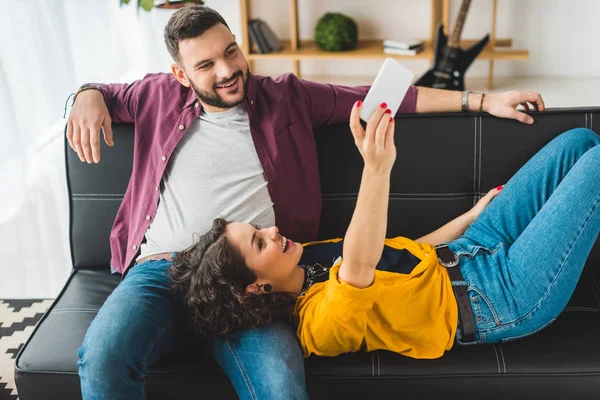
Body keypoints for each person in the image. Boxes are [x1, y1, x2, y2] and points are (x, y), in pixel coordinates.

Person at [68, 4, 547, 399]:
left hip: (258, 284)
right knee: (104, 357)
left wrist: (481, 101)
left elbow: (378, 98)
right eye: (206, 65)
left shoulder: (287, 97)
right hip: (162, 270)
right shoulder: (154, 95)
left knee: (279, 387)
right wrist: (86, 93)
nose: (229, 70)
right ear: (180, 74)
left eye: (230, 51)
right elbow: (102, 94)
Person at [169, 101, 600, 360]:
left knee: (579, 142)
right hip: (500, 297)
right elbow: (360, 261)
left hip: (471, 247)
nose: (274, 229)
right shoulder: (317, 324)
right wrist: (376, 167)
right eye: (260, 241)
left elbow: (408, 251)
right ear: (256, 287)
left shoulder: (306, 257)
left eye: (259, 228)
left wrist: (472, 217)